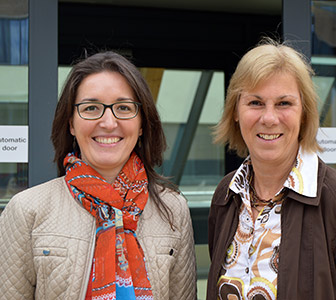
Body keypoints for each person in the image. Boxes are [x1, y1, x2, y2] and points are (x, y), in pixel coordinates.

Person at [207, 39, 336, 300]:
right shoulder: (227, 195)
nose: (269, 118)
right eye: (255, 103)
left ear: (305, 114)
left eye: (284, 103)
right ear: (236, 112)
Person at [0, 51, 197, 299]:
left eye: (123, 108)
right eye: (91, 108)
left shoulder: (173, 210)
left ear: (142, 124)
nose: (108, 122)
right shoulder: (27, 210)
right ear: (71, 123)